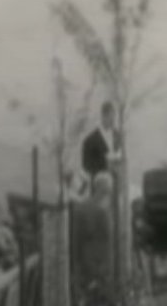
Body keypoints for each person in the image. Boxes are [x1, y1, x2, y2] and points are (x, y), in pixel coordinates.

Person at [72, 173, 115, 303]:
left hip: (84, 263)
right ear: (104, 189)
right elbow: (107, 240)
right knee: (99, 299)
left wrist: (77, 265)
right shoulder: (103, 210)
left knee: (88, 298)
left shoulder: (80, 208)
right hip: (99, 266)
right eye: (108, 190)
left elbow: (76, 241)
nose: (109, 193)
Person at [82, 102, 121, 181]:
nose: (113, 121)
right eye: (110, 118)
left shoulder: (118, 136)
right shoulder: (90, 140)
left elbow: (120, 157)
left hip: (115, 184)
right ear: (103, 116)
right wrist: (104, 163)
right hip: (99, 186)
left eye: (114, 118)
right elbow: (86, 166)